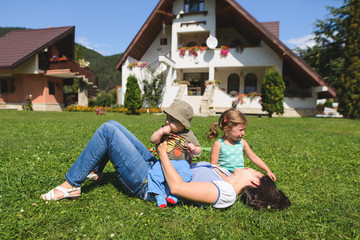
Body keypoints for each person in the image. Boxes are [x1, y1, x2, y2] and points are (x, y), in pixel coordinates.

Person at [40, 120, 290, 210]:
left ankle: (70, 185)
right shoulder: (223, 173)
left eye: (253, 170)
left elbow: (179, 187)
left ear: (255, 181)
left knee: (107, 131)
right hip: (158, 166)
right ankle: (95, 170)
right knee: (114, 125)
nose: (249, 167)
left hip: (149, 182)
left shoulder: (225, 193)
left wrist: (162, 152)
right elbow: (191, 166)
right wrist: (184, 150)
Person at [148, 101, 201, 208]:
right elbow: (153, 140)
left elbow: (199, 150)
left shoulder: (188, 135)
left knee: (186, 175)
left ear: (183, 124)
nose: (167, 122)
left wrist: (194, 148)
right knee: (154, 175)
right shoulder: (164, 130)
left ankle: (175, 195)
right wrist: (160, 132)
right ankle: (159, 196)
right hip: (164, 161)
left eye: (171, 120)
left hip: (182, 163)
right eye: (167, 118)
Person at [207, 109, 276, 181]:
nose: (243, 133)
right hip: (225, 178)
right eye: (241, 130)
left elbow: (254, 157)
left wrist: (267, 170)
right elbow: (214, 165)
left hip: (240, 176)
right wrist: (228, 176)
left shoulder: (242, 143)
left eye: (244, 129)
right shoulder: (218, 144)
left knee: (259, 180)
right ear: (227, 129)